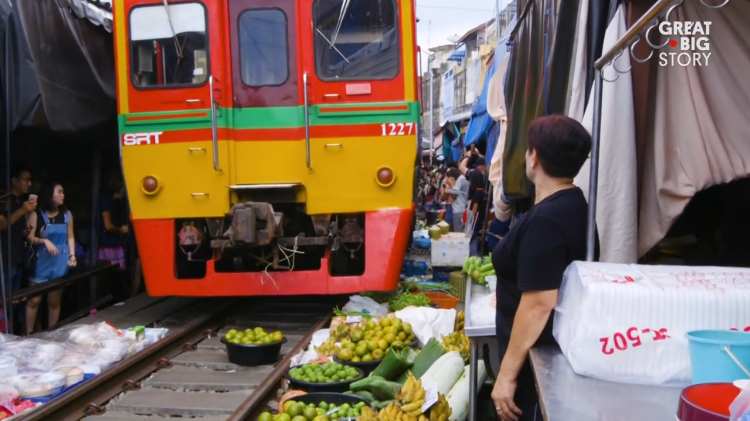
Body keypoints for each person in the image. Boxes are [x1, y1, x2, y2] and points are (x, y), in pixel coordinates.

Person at [491, 115, 599, 421]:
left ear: (534, 156)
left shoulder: (547, 219)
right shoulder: (573, 203)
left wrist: (506, 376)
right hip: (551, 353)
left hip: (536, 361)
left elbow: (539, 304)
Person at [25, 182, 76, 334]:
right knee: (33, 301)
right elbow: (28, 236)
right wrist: (44, 241)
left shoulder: (67, 215)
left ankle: (52, 334)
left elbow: (71, 237)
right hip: (41, 263)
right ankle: (28, 334)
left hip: (59, 263)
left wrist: (72, 255)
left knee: (54, 302)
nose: (63, 195)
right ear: (50, 195)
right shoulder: (36, 215)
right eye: (59, 192)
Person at [0, 164, 35, 296]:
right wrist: (23, 211)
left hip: (19, 254)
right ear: (15, 181)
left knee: (15, 296)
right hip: (5, 255)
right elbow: (2, 225)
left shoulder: (22, 200)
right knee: (5, 296)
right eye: (26, 180)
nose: (29, 183)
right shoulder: (3, 198)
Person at [98, 172, 131, 301]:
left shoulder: (110, 200)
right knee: (112, 275)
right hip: (109, 243)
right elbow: (108, 225)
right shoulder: (105, 201)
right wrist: (121, 230)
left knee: (111, 276)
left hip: (111, 242)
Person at [445, 168, 470, 232]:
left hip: (458, 209)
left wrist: (451, 184)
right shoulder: (463, 178)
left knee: (458, 232)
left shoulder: (460, 179)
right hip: (462, 208)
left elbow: (454, 196)